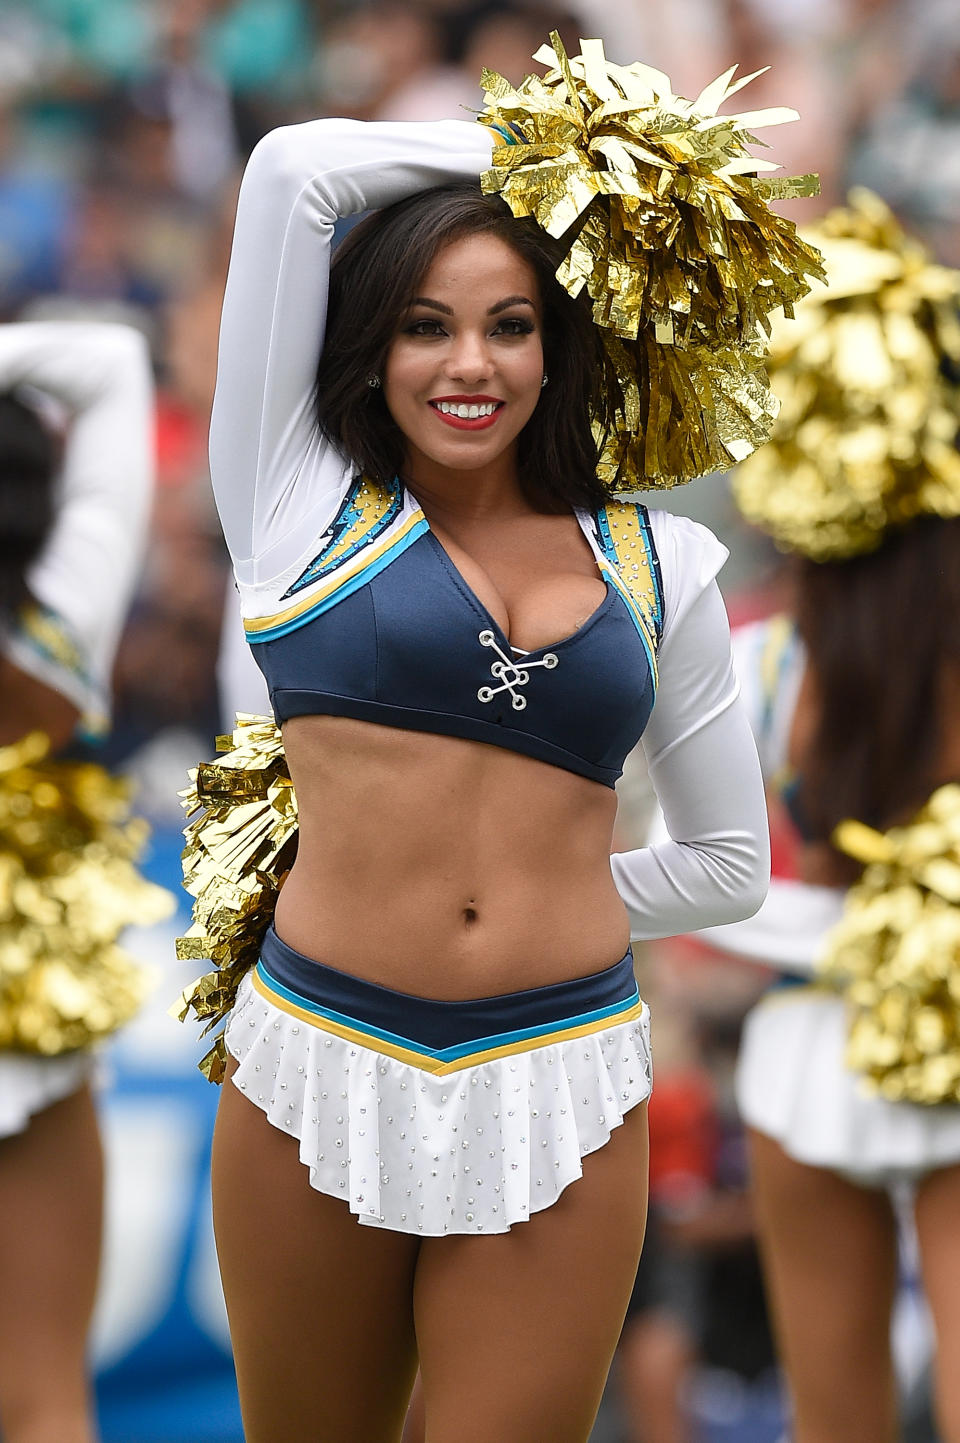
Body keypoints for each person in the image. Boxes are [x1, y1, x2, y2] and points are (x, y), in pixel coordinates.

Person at [183, 38, 827, 1443]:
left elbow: (725, 862)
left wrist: (563, 889)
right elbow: (294, 172)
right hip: (317, 1055)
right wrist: (583, 180)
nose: (467, 362)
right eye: (424, 324)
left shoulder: (669, 567)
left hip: (562, 1074)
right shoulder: (299, 512)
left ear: (565, 342)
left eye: (512, 323)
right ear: (374, 346)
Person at [695, 191, 960, 1443]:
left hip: (806, 1055)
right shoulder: (762, 656)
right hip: (900, 1043)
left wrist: (822, 937)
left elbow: (682, 872)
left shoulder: (757, 659)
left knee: (833, 1422)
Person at [0, 322, 157, 1443]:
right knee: (46, 1399)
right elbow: (106, 362)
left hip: (33, 1029)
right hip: (27, 1024)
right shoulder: (55, 637)